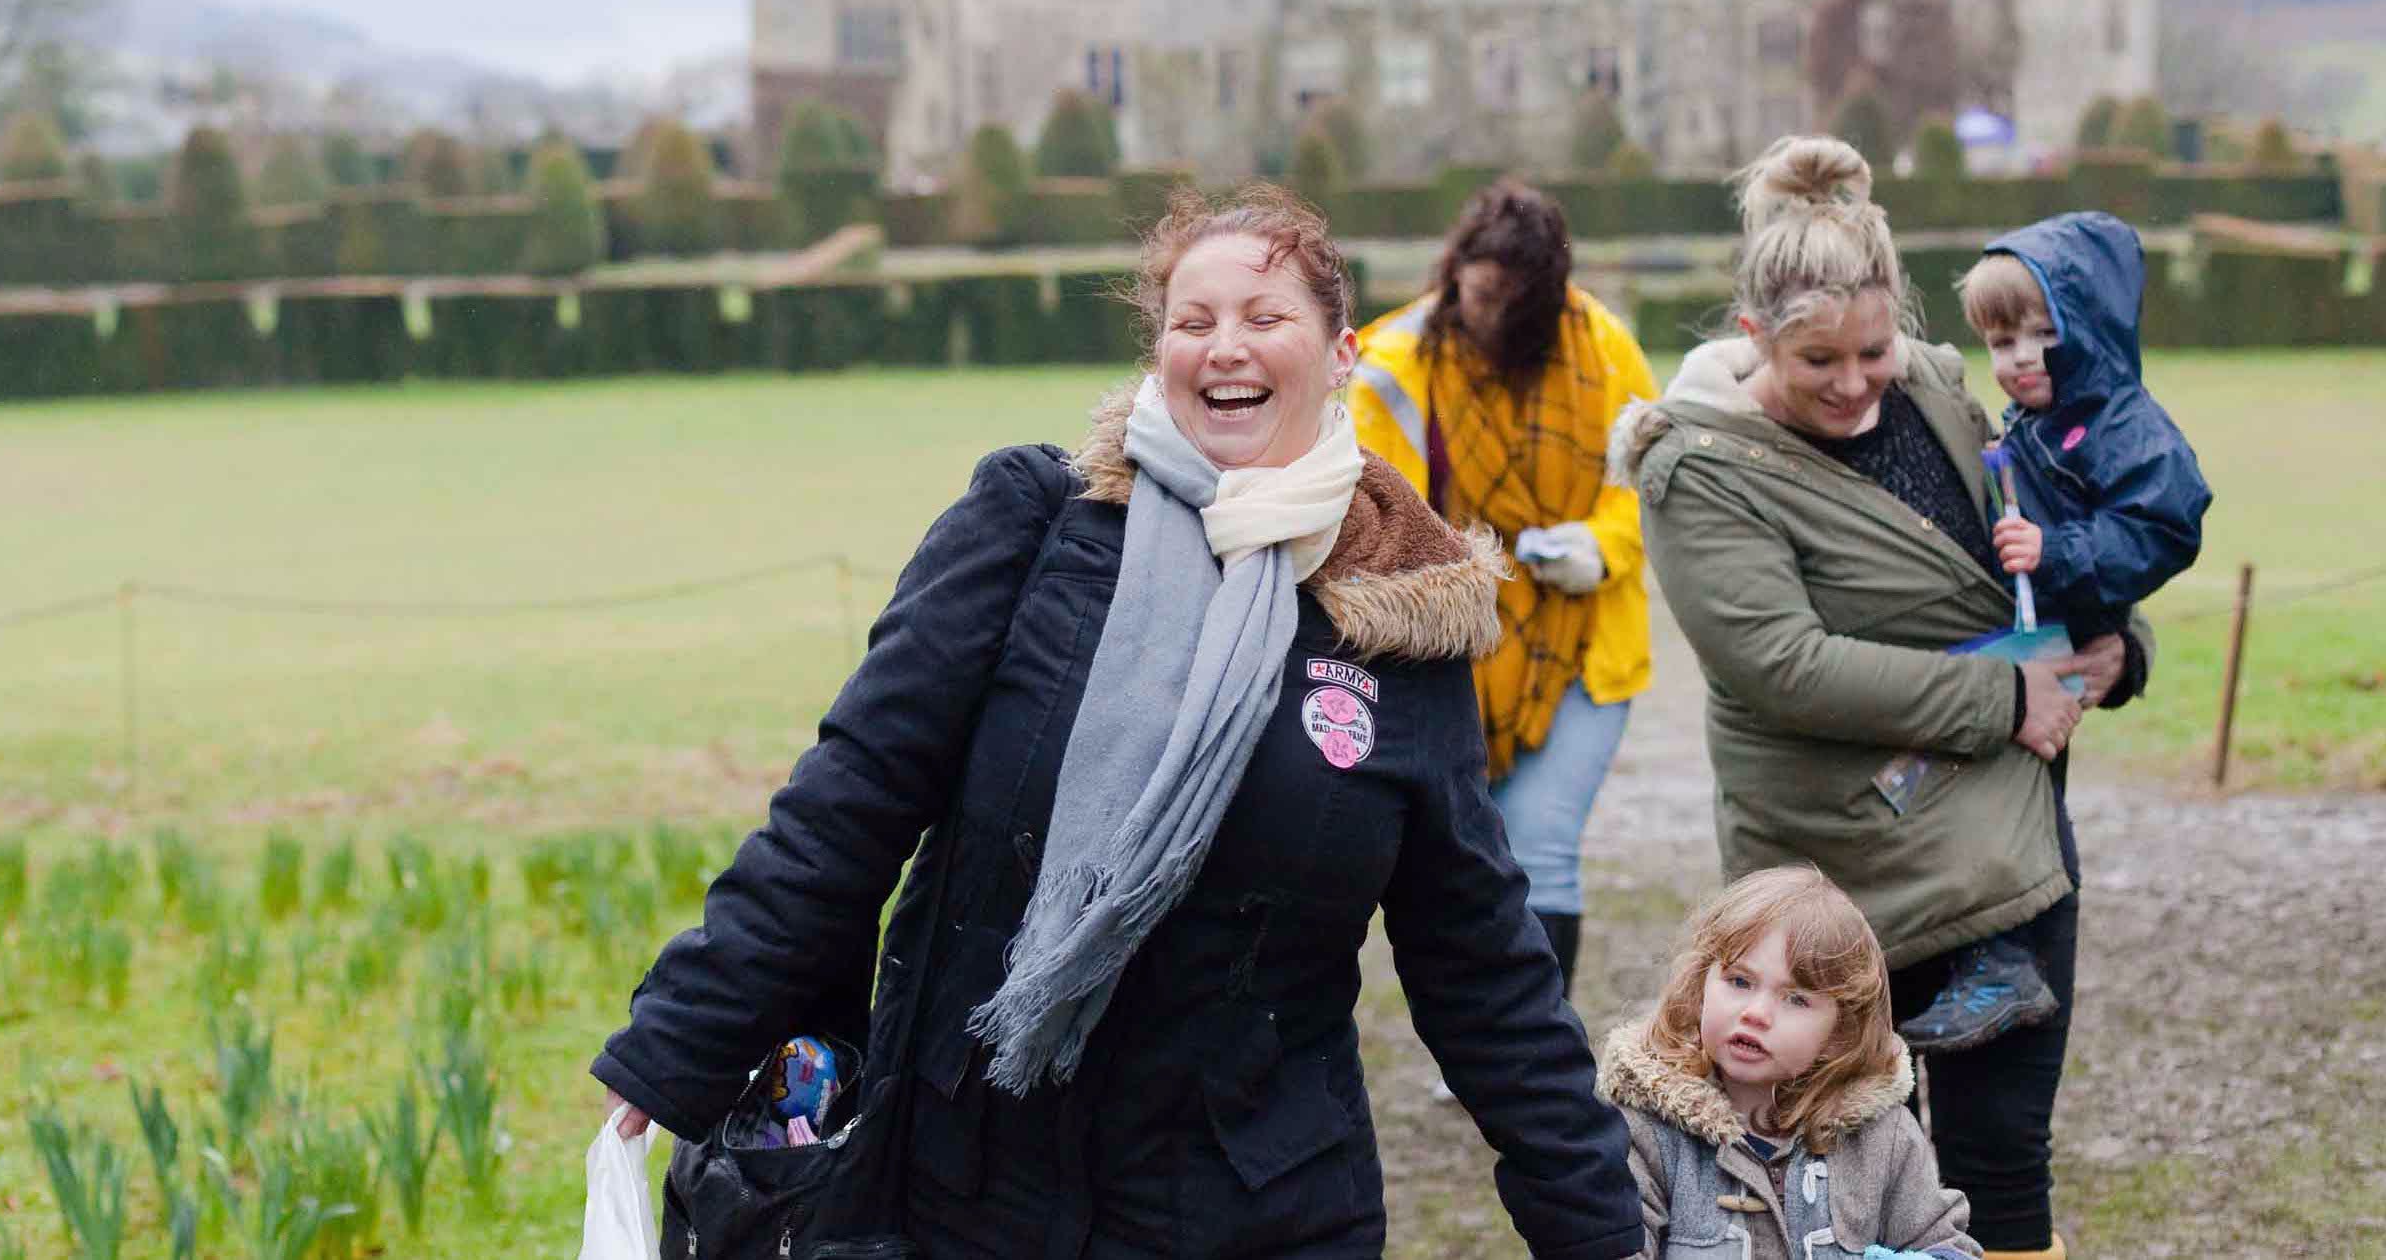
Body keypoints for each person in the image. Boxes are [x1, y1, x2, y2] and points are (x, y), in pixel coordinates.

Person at [591, 184, 1645, 1260]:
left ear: (1341, 354)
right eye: (1194, 322)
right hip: (971, 1180)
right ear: (1161, 353)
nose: (1225, 348)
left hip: (1254, 1206)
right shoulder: (1032, 530)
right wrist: (677, 1044)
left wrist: (1602, 1231)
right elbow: (845, 804)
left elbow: (1484, 970)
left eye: (1266, 318)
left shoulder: (1401, 627)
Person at [1618, 137, 2146, 1260]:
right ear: (1754, 337)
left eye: (1875, 349)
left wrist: (2111, 640)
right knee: (1842, 1175)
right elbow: (1782, 665)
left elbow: (2021, 549)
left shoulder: (1937, 384)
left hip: (2009, 840)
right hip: (1844, 867)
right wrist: (2008, 699)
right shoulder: (1697, 467)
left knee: (2005, 1153)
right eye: (1821, 361)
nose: (1858, 383)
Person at [1890, 214, 2209, 1056]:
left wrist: (2057, 552)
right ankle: (1992, 956)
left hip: (2062, 641)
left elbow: (2170, 523)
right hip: (2034, 629)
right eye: (2001, 341)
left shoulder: (2119, 423)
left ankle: (2003, 960)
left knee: (1998, 796)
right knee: (1977, 788)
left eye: (2041, 335)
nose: (2019, 358)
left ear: (2089, 329)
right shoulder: (2047, 420)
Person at [1350, 180, 1658, 998]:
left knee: (1544, 841)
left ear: (1552, 303)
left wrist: (1599, 543)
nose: (1485, 317)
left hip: (1585, 644)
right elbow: (1384, 517)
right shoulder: (1394, 366)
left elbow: (1650, 482)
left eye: (1509, 304)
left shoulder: (1604, 349)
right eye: (1474, 293)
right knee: (1469, 858)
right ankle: (1491, 1041)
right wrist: (1474, 576)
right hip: (1453, 650)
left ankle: (1539, 1049)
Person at [1597, 866, 1978, 1260]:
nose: (1756, 1013)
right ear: (1699, 986)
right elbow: (1608, 1243)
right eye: (1740, 982)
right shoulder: (1644, 1130)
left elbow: (1944, 1242)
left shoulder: (1883, 1136)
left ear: (1840, 1031)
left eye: (1796, 999)